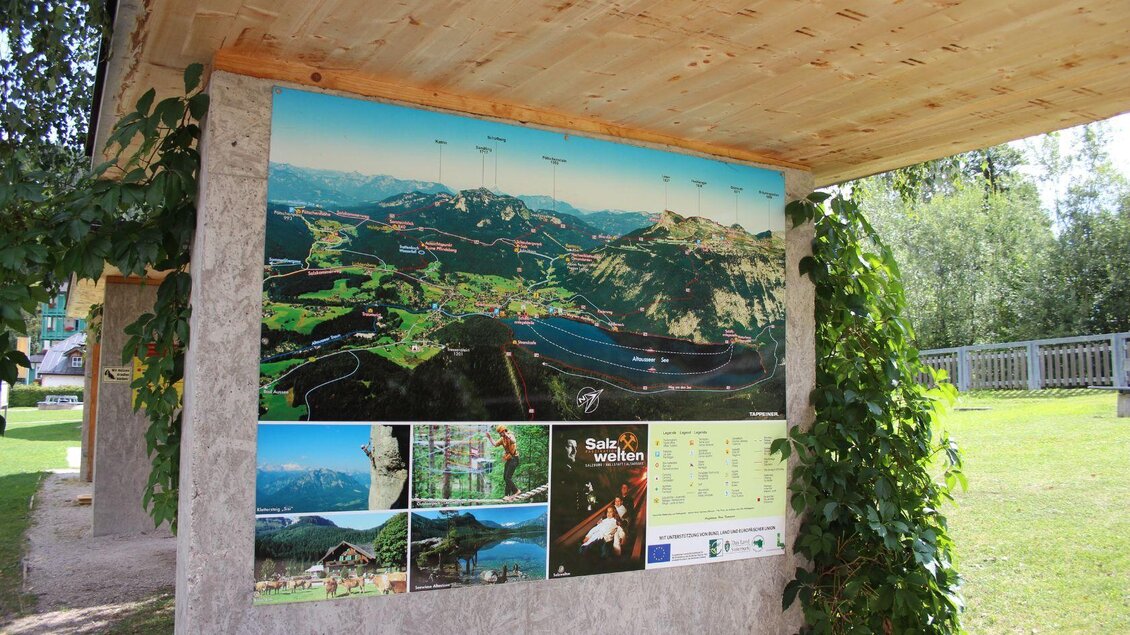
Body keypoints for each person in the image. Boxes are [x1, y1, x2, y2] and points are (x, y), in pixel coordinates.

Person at [485, 424, 521, 497]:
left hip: (514, 459)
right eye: (499, 433)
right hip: (509, 459)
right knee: (505, 477)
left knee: (508, 477)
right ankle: (507, 495)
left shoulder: (510, 435)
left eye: (500, 432)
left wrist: (507, 436)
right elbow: (495, 444)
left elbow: (513, 441)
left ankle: (516, 491)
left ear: (504, 431)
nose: (500, 434)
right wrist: (490, 437)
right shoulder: (502, 439)